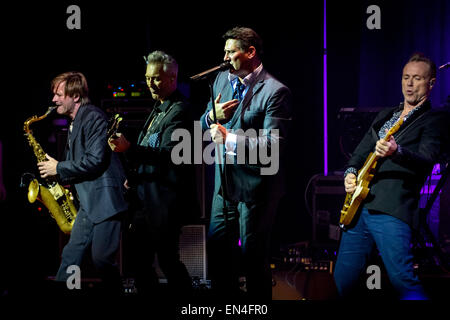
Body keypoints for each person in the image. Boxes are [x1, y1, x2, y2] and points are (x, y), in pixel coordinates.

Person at [334, 53, 449, 300]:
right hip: (358, 207)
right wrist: (350, 174)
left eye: (417, 78)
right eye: (406, 77)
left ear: (431, 83)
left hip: (392, 209)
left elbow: (427, 160)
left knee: (402, 279)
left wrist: (398, 152)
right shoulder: (386, 114)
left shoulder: (434, 119)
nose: (409, 83)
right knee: (343, 278)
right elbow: (359, 153)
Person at [200, 27, 292, 300]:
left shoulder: (276, 91)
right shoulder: (220, 80)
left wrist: (229, 138)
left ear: (250, 52)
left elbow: (271, 146)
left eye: (231, 52)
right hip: (224, 187)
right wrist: (211, 117)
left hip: (257, 189)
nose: (225, 58)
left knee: (253, 260)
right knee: (218, 256)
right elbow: (207, 118)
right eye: (225, 52)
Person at [109, 51, 195, 297]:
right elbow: (150, 149)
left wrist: (129, 148)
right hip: (147, 200)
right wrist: (134, 176)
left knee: (167, 262)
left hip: (164, 203)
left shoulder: (179, 110)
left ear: (172, 78)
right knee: (140, 264)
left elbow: (168, 154)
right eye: (148, 78)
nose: (150, 84)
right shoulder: (159, 108)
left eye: (156, 79)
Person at [37, 71, 128, 295]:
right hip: (89, 201)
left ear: (75, 96)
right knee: (70, 256)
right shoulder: (75, 122)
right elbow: (79, 163)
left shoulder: (93, 117)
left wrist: (58, 167)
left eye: (59, 94)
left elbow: (95, 161)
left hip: (106, 201)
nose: (54, 100)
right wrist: (58, 174)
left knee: (102, 260)